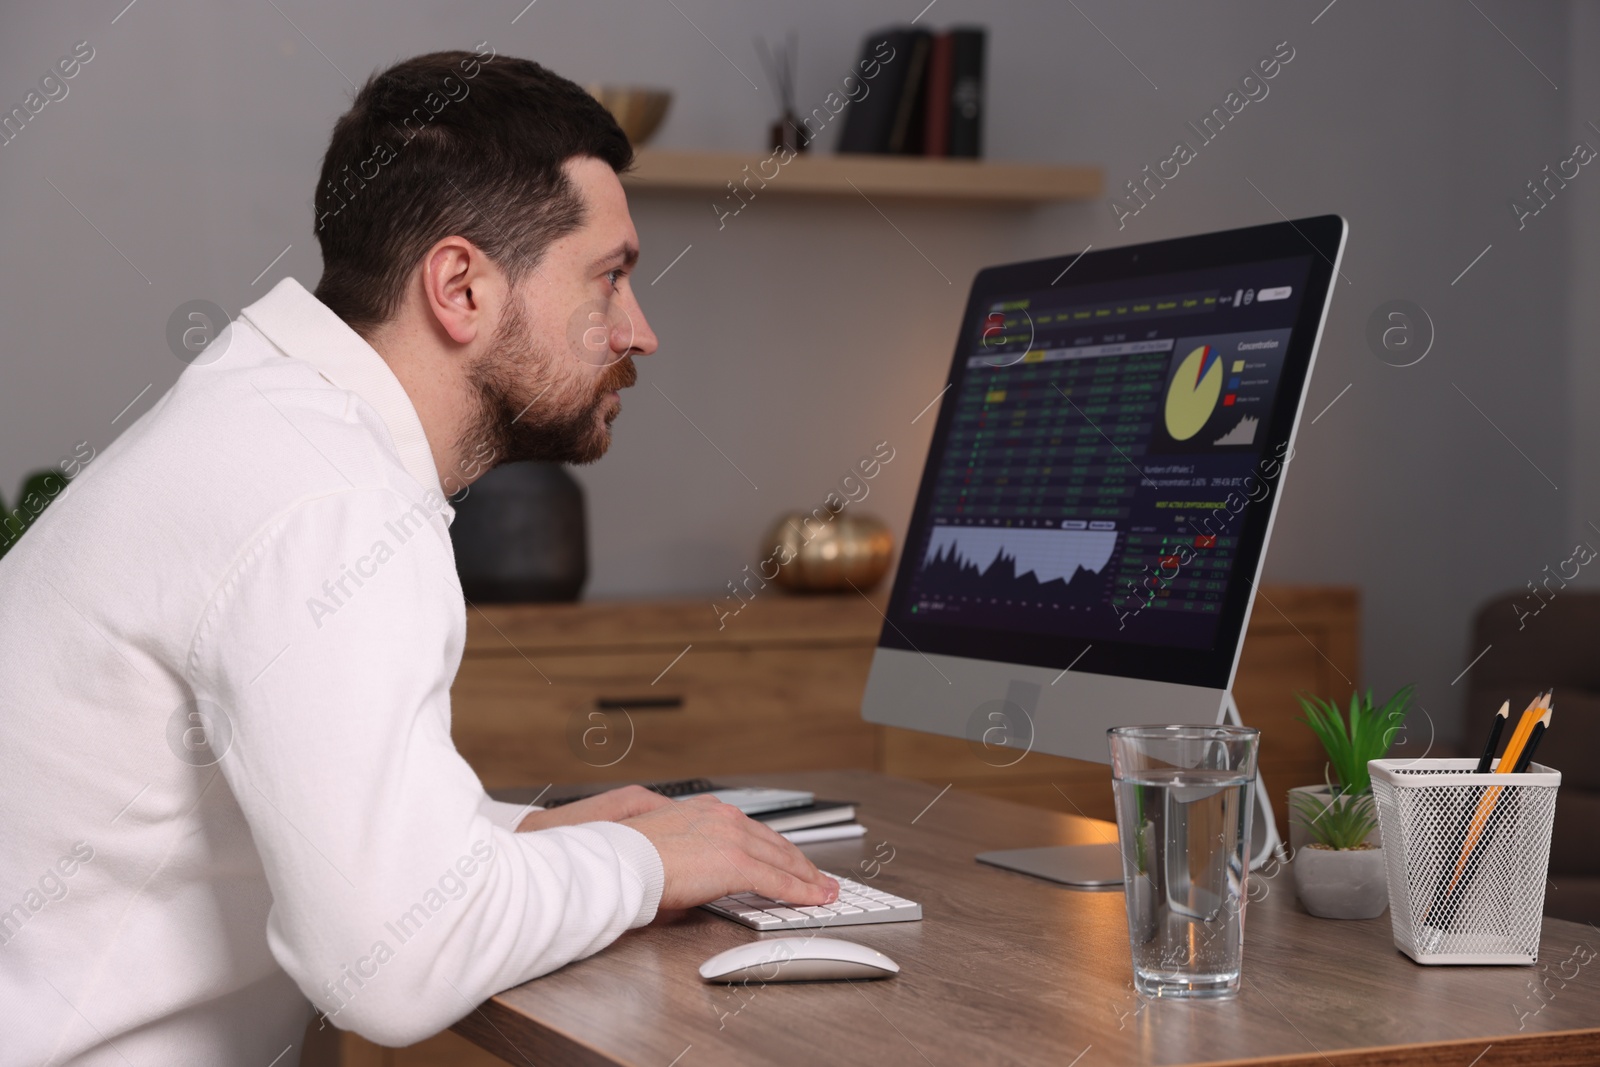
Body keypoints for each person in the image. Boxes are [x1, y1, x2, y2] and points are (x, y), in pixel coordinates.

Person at [0, 48, 836, 1066]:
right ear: (460, 287)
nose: (640, 331)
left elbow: (308, 805)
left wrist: (504, 841)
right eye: (610, 277)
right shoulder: (335, 502)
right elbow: (393, 968)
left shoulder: (268, 423)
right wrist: (641, 861)